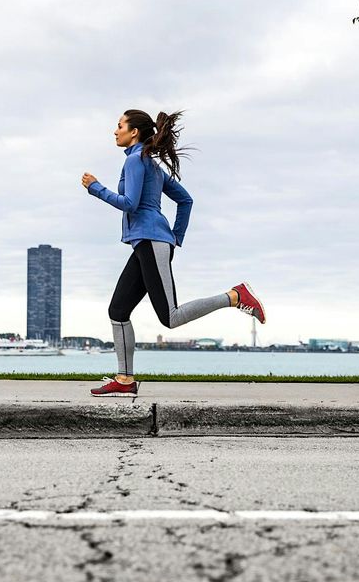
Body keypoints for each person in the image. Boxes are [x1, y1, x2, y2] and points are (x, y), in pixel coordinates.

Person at [81, 109, 265, 397]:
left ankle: (235, 296)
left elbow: (130, 204)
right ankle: (125, 380)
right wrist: (175, 237)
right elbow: (185, 200)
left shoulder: (135, 161)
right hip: (147, 243)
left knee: (171, 317)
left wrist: (96, 188)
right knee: (118, 311)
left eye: (119, 126)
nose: (114, 131)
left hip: (151, 241)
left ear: (134, 133)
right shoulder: (149, 164)